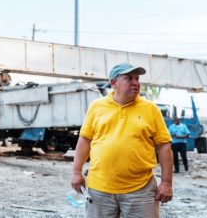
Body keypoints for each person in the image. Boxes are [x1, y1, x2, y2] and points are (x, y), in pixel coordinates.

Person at [71, 63, 173, 218]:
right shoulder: (97, 107)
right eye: (129, 78)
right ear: (114, 83)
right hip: (100, 189)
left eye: (137, 79)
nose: (136, 83)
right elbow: (85, 140)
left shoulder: (150, 109)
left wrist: (166, 183)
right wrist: (77, 172)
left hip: (140, 190)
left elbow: (164, 146)